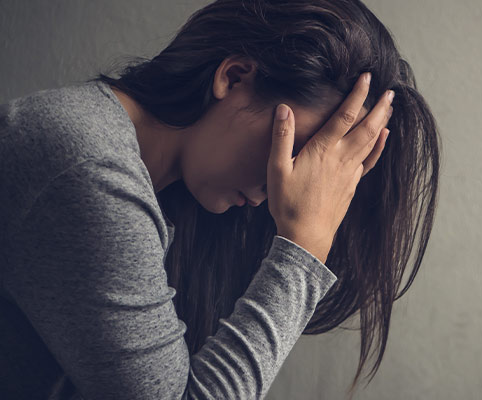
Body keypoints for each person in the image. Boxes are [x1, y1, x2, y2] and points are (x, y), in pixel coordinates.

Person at [0, 0, 440, 398]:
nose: (290, 185)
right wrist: (305, 244)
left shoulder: (153, 192)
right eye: (298, 151)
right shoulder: (87, 164)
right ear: (233, 78)